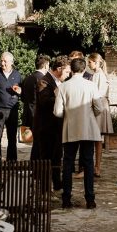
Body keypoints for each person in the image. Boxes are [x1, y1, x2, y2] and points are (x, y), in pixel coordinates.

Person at [53, 57, 104, 209]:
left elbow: (57, 112)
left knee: (68, 164)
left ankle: (66, 198)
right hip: (88, 128)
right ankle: (90, 198)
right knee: (88, 163)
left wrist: (68, 115)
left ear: (72, 69)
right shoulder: (91, 85)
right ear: (83, 69)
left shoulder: (63, 87)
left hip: (70, 129)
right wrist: (90, 115)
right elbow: (99, 108)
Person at [32, 55, 70, 191]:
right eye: (66, 71)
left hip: (57, 127)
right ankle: (44, 188)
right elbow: (45, 102)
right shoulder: (43, 81)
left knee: (57, 156)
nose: (68, 74)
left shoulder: (60, 82)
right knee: (46, 159)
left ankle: (57, 182)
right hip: (45, 128)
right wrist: (61, 97)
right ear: (59, 69)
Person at [0, 51, 23, 161]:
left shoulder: (17, 75)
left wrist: (19, 91)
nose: (2, 63)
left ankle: (12, 161)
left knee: (12, 137)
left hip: (13, 109)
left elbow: (22, 90)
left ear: (11, 62)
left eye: (5, 61)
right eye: (1, 60)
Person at [87, 53, 114, 178]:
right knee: (96, 139)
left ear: (96, 62)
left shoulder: (100, 75)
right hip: (99, 104)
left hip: (99, 106)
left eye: (90, 62)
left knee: (97, 139)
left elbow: (98, 93)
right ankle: (95, 166)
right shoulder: (97, 74)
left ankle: (97, 167)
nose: (88, 64)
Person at [21, 54, 50, 133]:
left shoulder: (27, 78)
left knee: (31, 142)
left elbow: (23, 97)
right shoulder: (44, 80)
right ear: (46, 65)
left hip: (27, 114)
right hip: (39, 115)